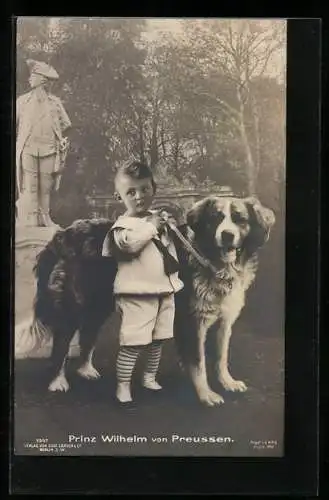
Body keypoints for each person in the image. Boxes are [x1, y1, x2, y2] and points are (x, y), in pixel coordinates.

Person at [102, 160, 184, 404]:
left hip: (164, 289)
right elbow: (129, 247)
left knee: (158, 339)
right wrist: (152, 228)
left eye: (145, 189)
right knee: (134, 341)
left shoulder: (156, 219)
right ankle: (123, 386)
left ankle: (149, 376)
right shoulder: (122, 226)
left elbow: (171, 247)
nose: (139, 197)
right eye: (131, 192)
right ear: (119, 197)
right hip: (136, 292)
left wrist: (168, 226)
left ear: (153, 189)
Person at [16, 59, 72, 227]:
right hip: (27, 147)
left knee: (45, 186)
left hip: (49, 148)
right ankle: (31, 219)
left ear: (41, 79)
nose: (29, 79)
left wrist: (62, 141)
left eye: (33, 76)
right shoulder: (22, 101)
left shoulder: (55, 102)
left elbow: (66, 124)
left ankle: (45, 217)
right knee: (30, 186)